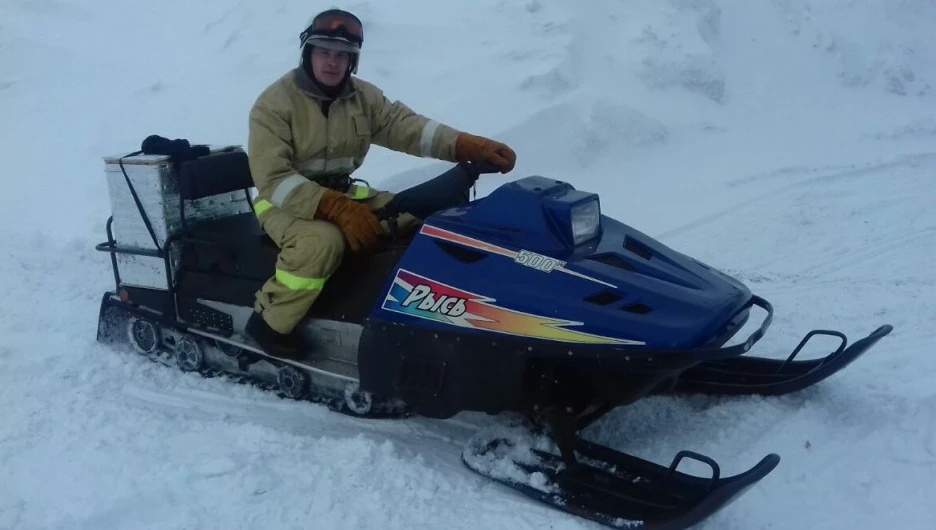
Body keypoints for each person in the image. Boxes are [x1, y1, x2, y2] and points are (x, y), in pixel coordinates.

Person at [244, 8, 517, 360]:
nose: (332, 62)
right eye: (324, 51)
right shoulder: (274, 104)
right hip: (283, 200)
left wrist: (468, 145)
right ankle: (269, 323)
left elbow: (410, 128)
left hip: (342, 191)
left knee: (413, 222)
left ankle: (417, 313)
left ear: (353, 61)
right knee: (321, 244)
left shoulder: (363, 98)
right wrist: (334, 207)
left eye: (342, 55)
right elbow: (273, 178)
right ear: (308, 52)